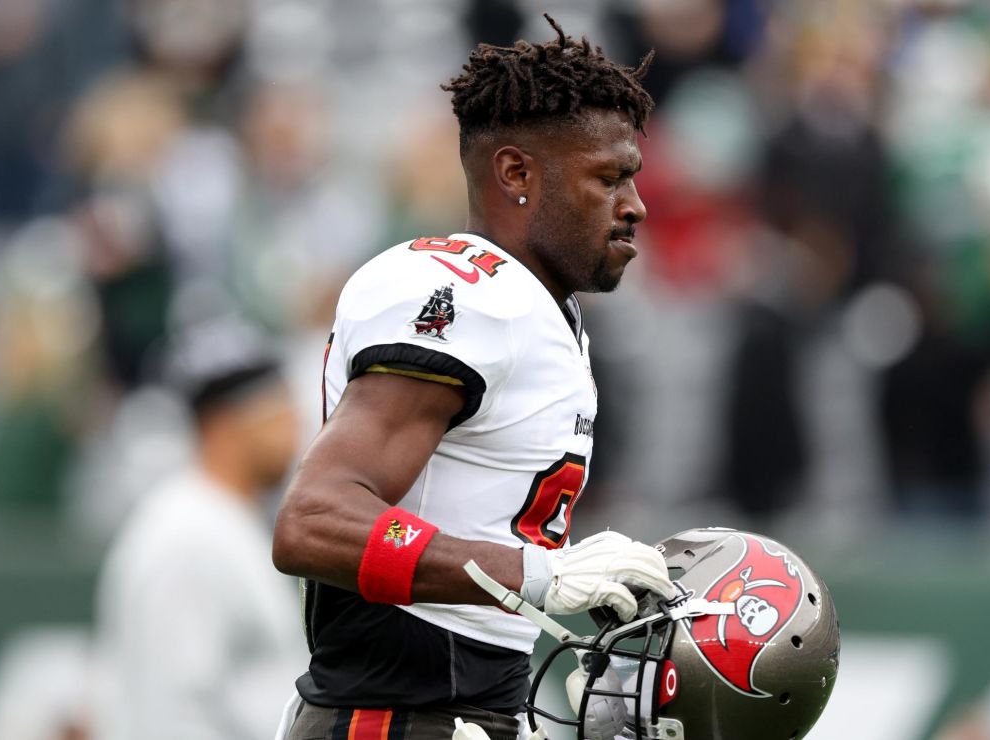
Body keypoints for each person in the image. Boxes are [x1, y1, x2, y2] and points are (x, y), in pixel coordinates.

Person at [270, 14, 673, 740]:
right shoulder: (469, 298)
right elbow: (313, 521)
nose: (634, 206)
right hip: (394, 716)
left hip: (458, 710)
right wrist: (537, 576)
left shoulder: (537, 306)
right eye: (608, 179)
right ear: (517, 173)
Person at [93, 319, 306, 740]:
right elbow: (173, 715)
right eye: (278, 409)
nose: (294, 428)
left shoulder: (224, 518)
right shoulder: (185, 535)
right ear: (226, 424)